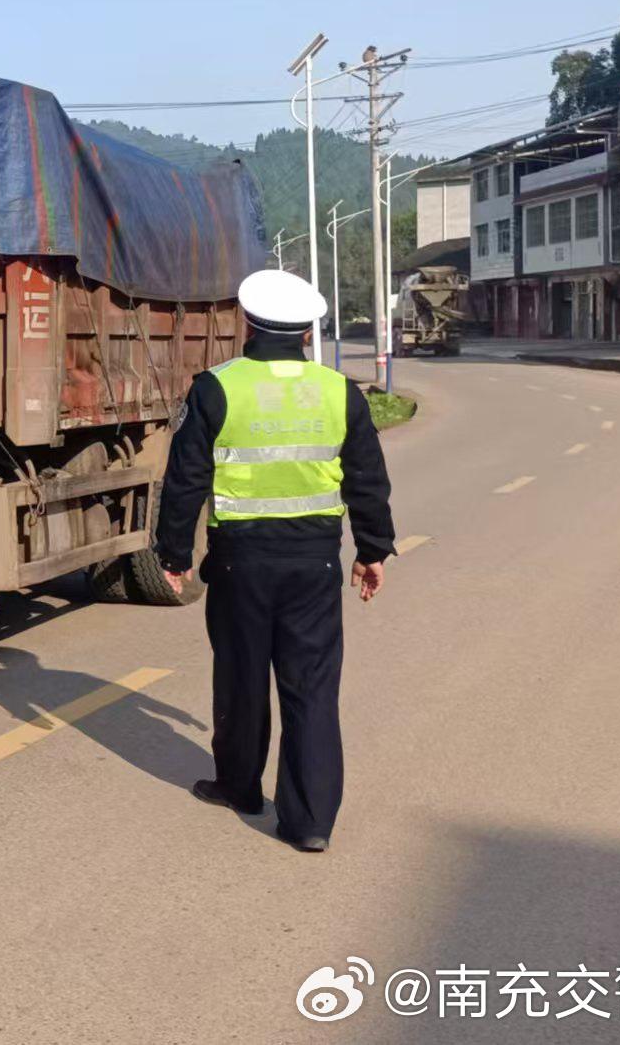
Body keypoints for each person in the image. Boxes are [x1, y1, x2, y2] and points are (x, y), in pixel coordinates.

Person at [152, 270, 395, 853]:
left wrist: (175, 552)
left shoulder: (215, 388)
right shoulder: (340, 392)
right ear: (308, 333)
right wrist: (372, 550)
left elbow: (185, 479)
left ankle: (240, 787)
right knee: (311, 688)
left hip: (241, 563)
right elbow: (367, 480)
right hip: (315, 564)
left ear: (246, 322)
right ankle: (310, 821)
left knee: (241, 678)